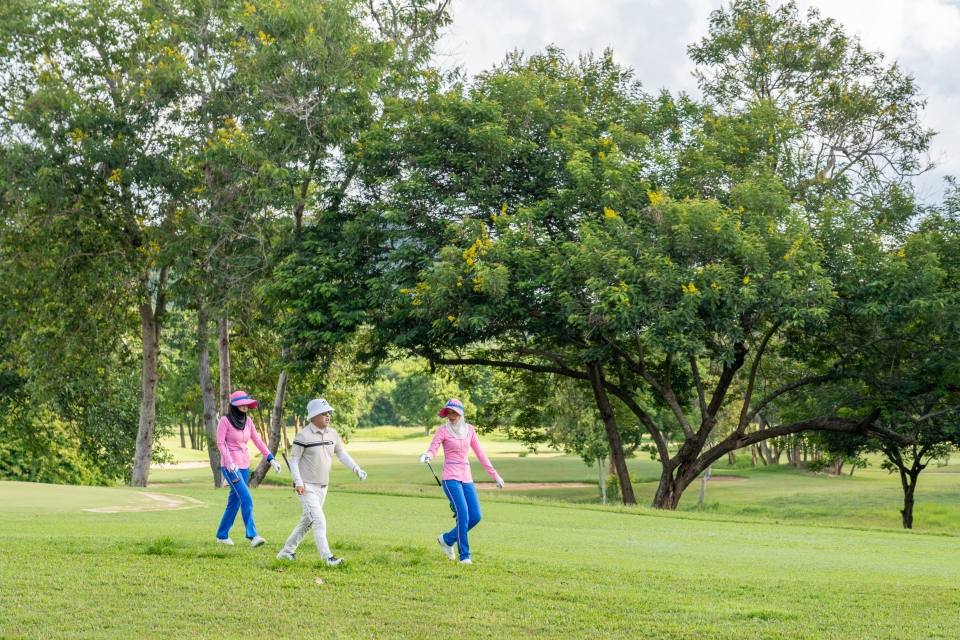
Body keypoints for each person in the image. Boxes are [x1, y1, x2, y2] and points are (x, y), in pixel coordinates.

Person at [277, 398, 367, 566]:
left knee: (308, 521)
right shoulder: (303, 435)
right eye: (324, 413)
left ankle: (286, 551)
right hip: (306, 487)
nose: (328, 416)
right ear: (314, 416)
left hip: (323, 487)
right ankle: (328, 558)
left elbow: (341, 454)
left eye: (329, 413)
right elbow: (294, 459)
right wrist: (298, 482)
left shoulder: (332, 433)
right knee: (319, 520)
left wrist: (356, 469)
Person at [419, 398, 504, 565]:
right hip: (450, 479)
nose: (451, 415)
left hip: (467, 478)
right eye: (448, 412)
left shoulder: (470, 430)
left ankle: (447, 539)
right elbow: (433, 448)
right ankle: (465, 556)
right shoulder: (442, 431)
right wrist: (428, 455)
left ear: (461, 413)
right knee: (463, 515)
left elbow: (481, 454)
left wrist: (495, 476)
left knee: (476, 516)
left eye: (454, 412)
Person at [215, 390, 281, 547]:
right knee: (246, 498)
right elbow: (220, 443)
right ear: (234, 405)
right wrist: (229, 461)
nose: (245, 406)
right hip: (231, 467)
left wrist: (270, 458)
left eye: (246, 404)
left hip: (244, 465)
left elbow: (257, 441)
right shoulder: (224, 421)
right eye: (241, 404)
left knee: (235, 500)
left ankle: (222, 535)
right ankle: (253, 535)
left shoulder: (248, 421)